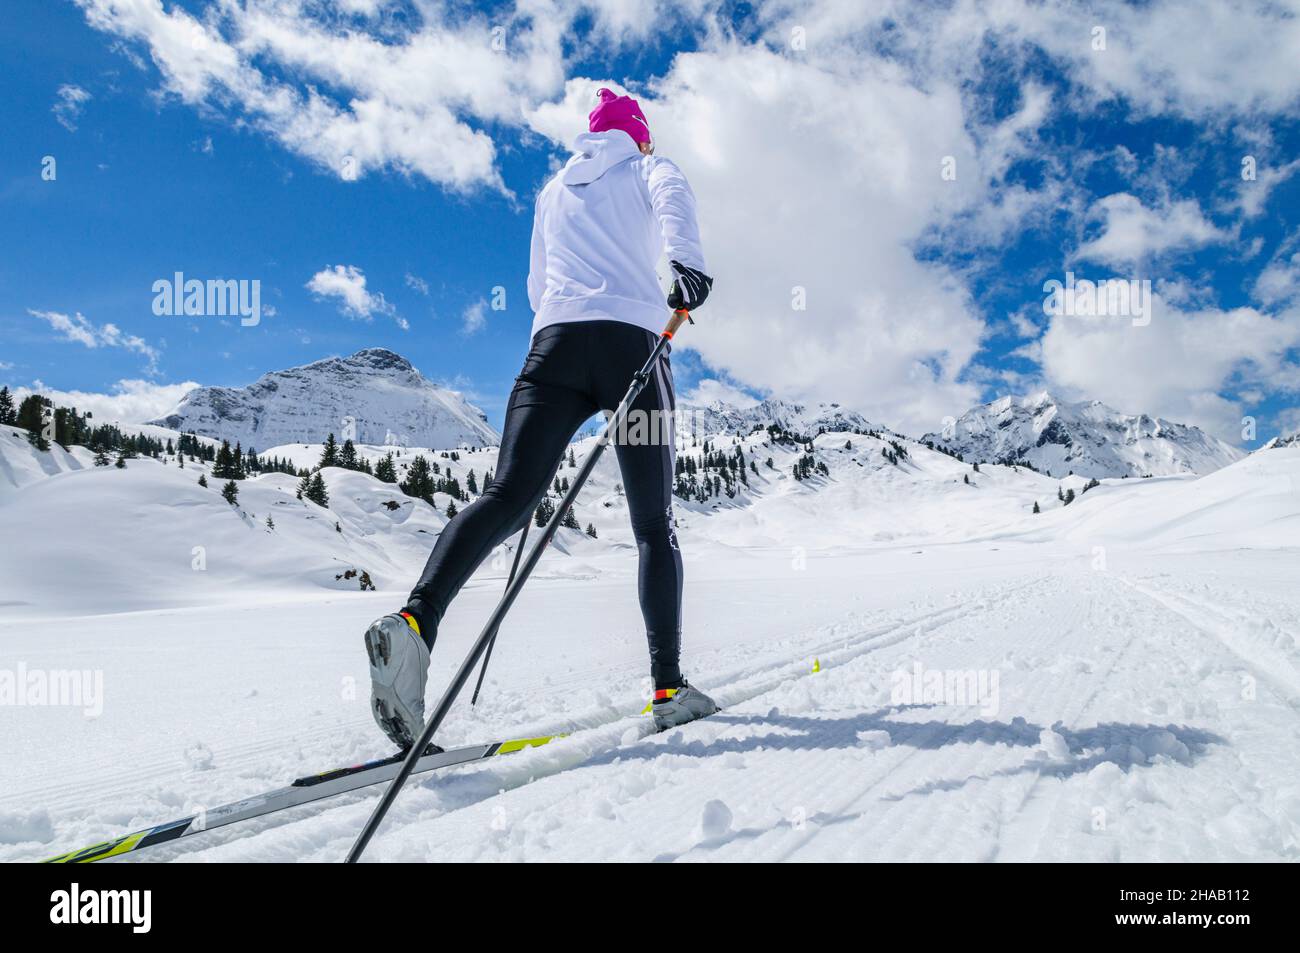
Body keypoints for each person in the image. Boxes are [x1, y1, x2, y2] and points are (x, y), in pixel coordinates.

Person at [363, 87, 717, 749]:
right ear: (639, 135)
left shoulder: (554, 191)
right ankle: (668, 687)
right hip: (630, 347)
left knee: (508, 494)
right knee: (652, 524)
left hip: (551, 349)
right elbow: (675, 204)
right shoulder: (649, 167)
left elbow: (536, 286)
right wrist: (686, 270)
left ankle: (416, 622)